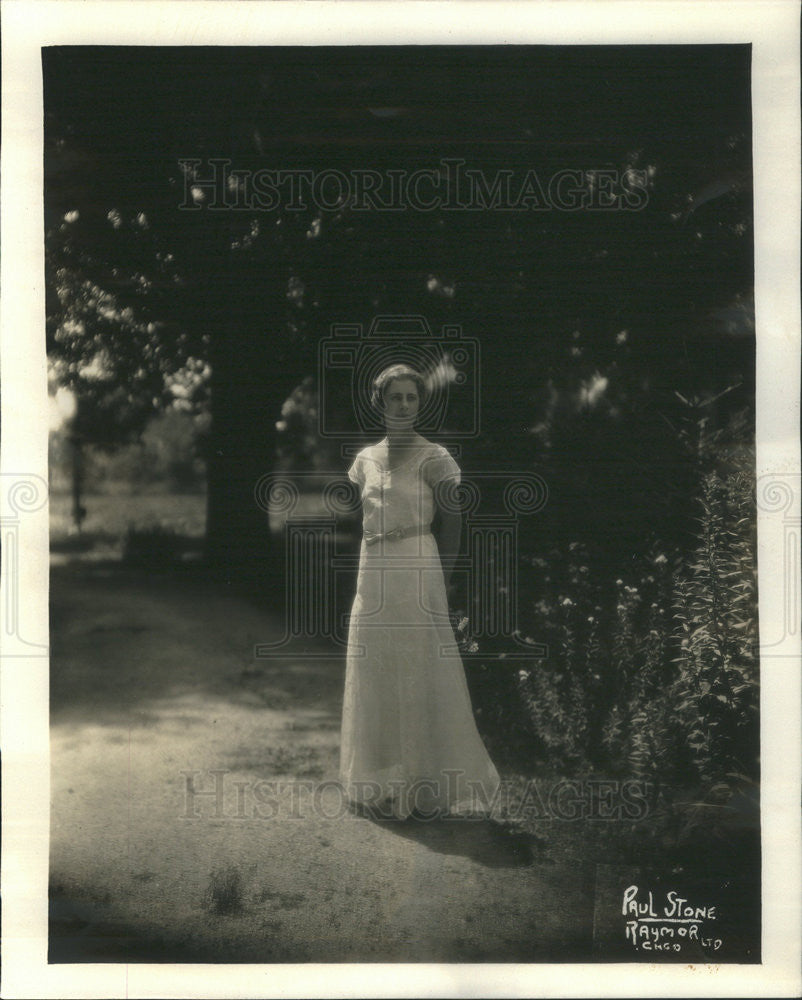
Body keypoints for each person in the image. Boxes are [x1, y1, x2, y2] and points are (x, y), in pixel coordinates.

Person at [339, 364, 500, 820]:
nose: (404, 405)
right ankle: (381, 778)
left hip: (418, 567)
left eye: (411, 397)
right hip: (373, 572)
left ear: (419, 403)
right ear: (380, 403)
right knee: (375, 667)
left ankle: (422, 785)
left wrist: (441, 584)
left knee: (416, 668)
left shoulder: (436, 458)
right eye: (396, 398)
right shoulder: (366, 459)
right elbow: (365, 520)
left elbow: (453, 524)